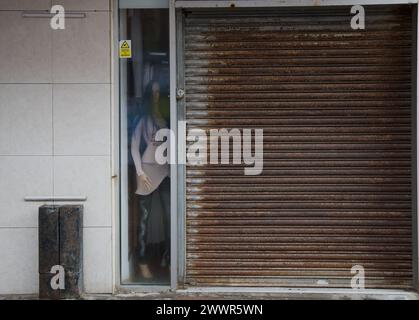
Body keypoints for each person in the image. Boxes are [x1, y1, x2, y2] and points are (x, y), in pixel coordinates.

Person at [131, 80, 170, 279]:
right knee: (144, 221)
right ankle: (143, 261)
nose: (156, 96)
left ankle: (168, 257)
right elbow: (134, 147)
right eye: (152, 92)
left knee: (170, 218)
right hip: (146, 172)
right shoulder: (142, 118)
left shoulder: (168, 117)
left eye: (158, 92)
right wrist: (139, 171)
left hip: (166, 172)